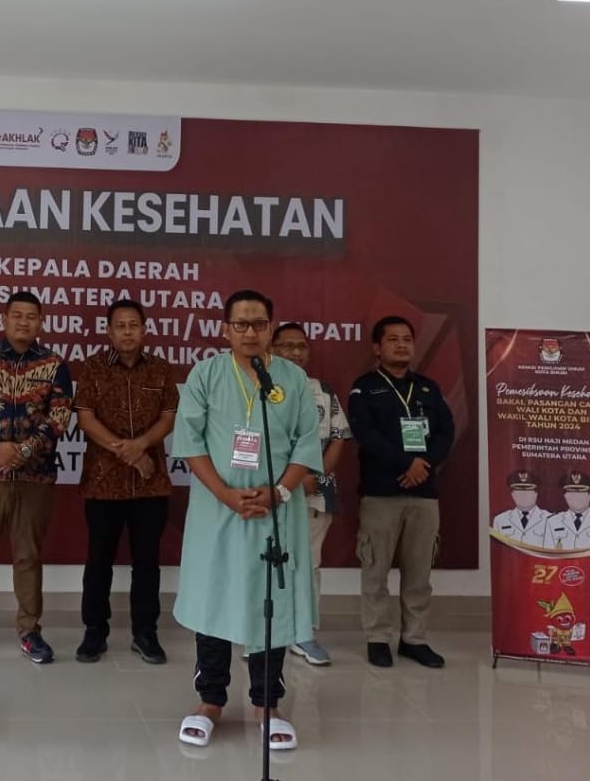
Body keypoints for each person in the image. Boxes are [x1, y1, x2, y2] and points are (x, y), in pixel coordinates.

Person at [173, 290, 321, 751]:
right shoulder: (206, 374)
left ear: (272, 327)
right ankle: (210, 701)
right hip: (217, 511)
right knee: (213, 599)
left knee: (270, 602)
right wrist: (225, 494)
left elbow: (306, 443)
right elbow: (189, 441)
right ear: (225, 330)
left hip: (276, 512)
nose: (250, 332)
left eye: (259, 323)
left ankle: (266, 704)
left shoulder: (293, 379)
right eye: (240, 324)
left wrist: (278, 492)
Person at [0, 291, 73, 664]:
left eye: (31, 316)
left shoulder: (54, 364)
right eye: (17, 315)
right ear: (4, 319)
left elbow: (59, 417)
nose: (23, 322)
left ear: (41, 322)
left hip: (34, 477)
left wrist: (22, 451)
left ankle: (29, 631)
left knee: (28, 556)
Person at [73, 299, 177, 665]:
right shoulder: (92, 367)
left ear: (144, 330)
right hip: (103, 480)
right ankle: (94, 632)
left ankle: (145, 633)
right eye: (120, 326)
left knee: (147, 561)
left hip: (150, 482)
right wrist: (128, 451)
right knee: (98, 560)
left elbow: (168, 417)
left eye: (134, 325)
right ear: (109, 331)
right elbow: (86, 419)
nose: (128, 332)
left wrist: (141, 445)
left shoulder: (161, 369)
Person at [349, 315, 454, 669]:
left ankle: (414, 639)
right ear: (377, 348)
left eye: (407, 339)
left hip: (424, 493)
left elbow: (446, 431)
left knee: (419, 574)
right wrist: (406, 462)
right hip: (381, 493)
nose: (401, 345)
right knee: (375, 570)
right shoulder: (365, 388)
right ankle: (378, 638)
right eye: (393, 339)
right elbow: (365, 434)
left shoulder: (427, 388)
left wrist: (425, 464)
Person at [272, 322, 351, 666]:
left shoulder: (322, 391)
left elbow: (338, 438)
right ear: (272, 349)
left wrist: (314, 476)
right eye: (286, 346)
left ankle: (304, 633)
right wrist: (288, 480)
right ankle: (263, 634)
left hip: (314, 492)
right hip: (271, 492)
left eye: (301, 346)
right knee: (267, 562)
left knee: (308, 564)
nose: (295, 352)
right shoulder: (258, 388)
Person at [542, 470, 590, 550]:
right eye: (572, 493)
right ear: (565, 496)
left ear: (589, 495)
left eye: (581, 492)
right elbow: (547, 555)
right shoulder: (552, 522)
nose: (577, 497)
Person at [490, 469, 547, 547]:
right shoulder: (500, 520)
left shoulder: (549, 519)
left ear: (536, 494)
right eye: (519, 491)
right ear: (512, 494)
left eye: (528, 491)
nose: (523, 495)